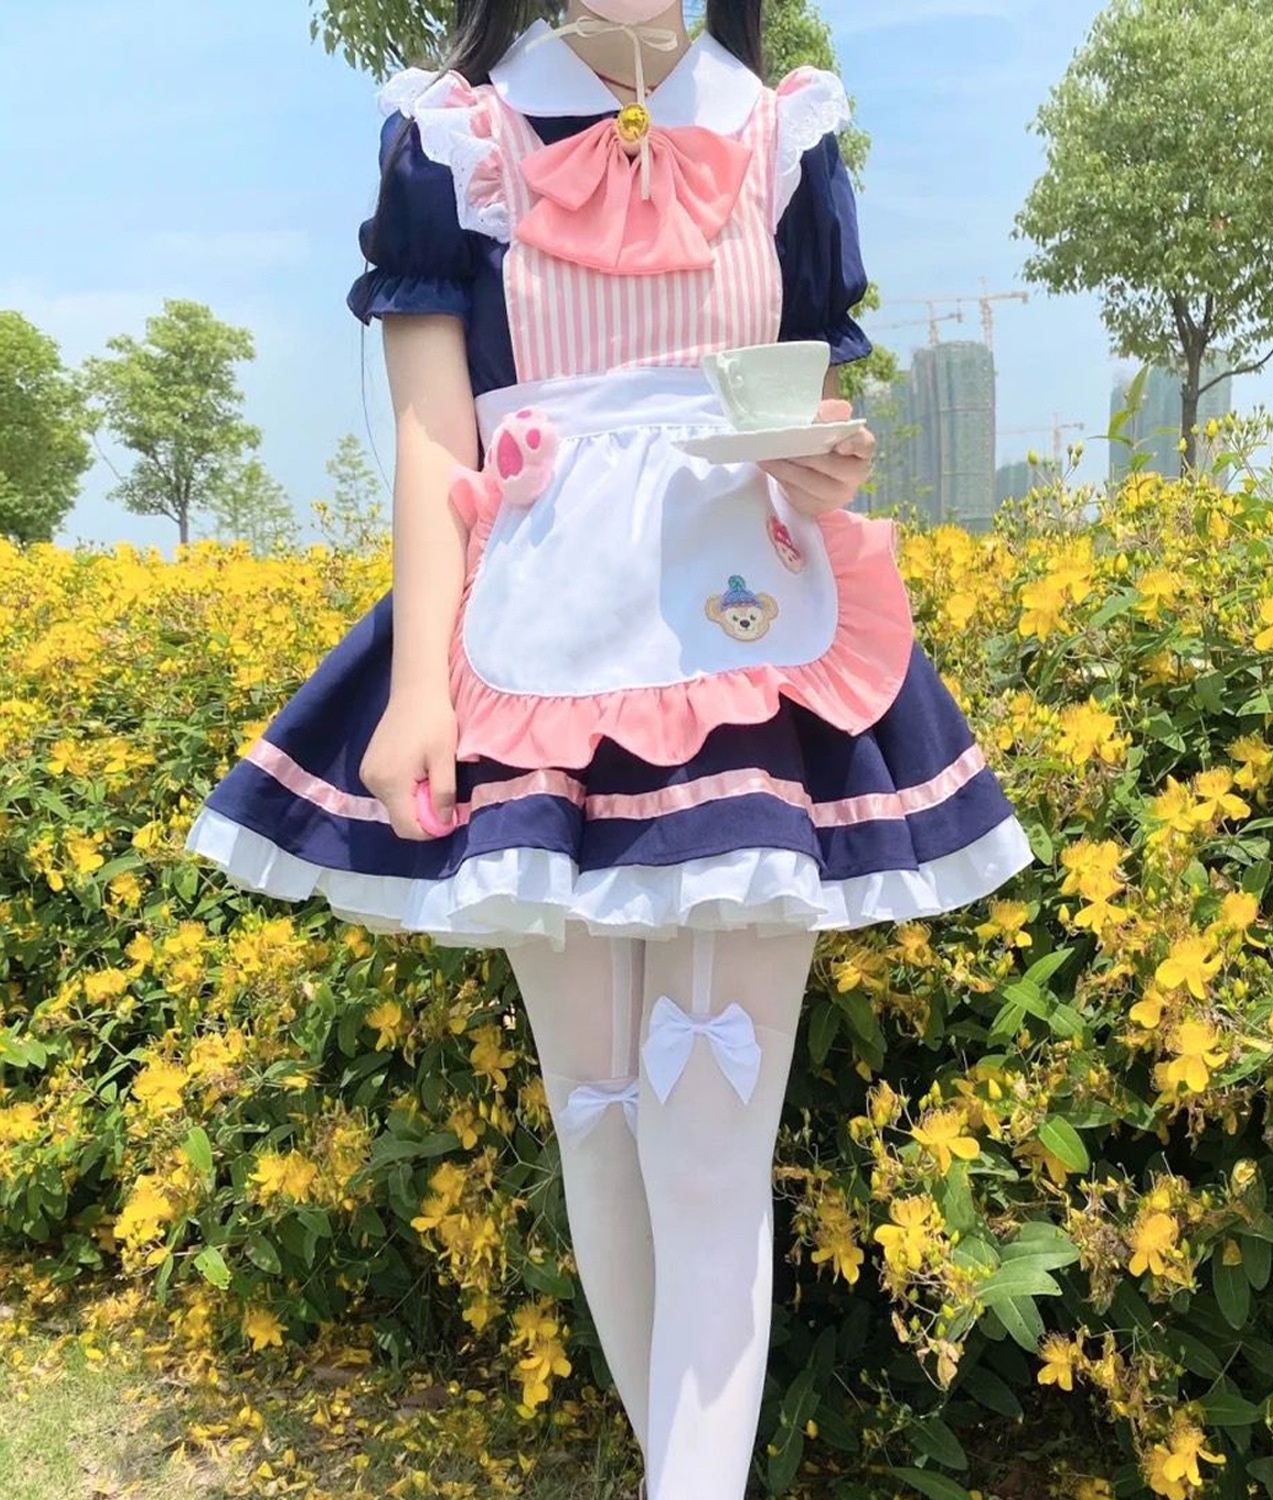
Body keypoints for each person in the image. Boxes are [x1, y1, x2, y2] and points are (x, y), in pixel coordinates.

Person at [184, 2, 1034, 1496]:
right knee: (601, 1125)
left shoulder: (777, 132)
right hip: (532, 659)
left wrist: (826, 462)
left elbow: (806, 400)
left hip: (749, 654)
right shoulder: (459, 133)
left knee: (710, 1150)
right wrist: (419, 688)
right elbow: (436, 440)